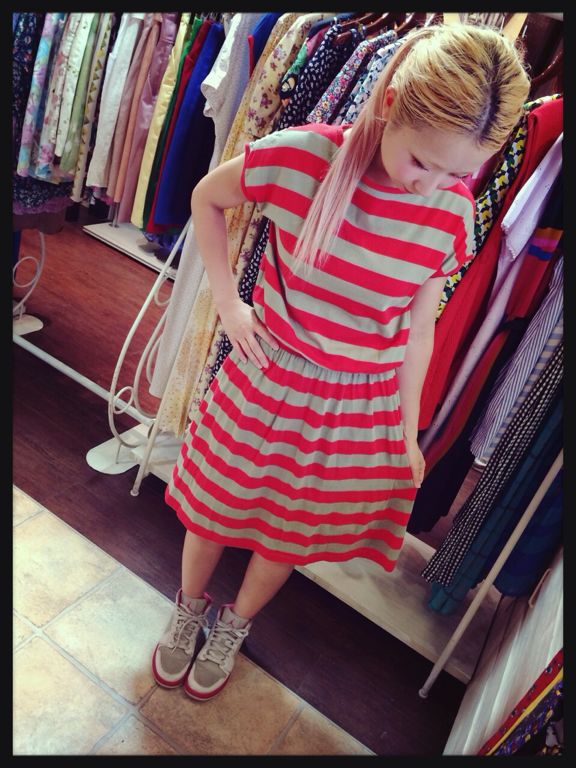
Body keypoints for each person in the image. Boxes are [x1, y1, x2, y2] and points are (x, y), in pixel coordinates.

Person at [151, 21, 531, 701]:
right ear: (391, 104)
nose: (432, 186)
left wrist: (408, 430)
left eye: (457, 171)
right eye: (422, 163)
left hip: (355, 404)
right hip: (267, 373)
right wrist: (230, 305)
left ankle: (235, 624)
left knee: (286, 533)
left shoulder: (451, 210)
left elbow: (418, 331)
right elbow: (207, 197)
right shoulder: (304, 157)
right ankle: (189, 606)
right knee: (213, 508)